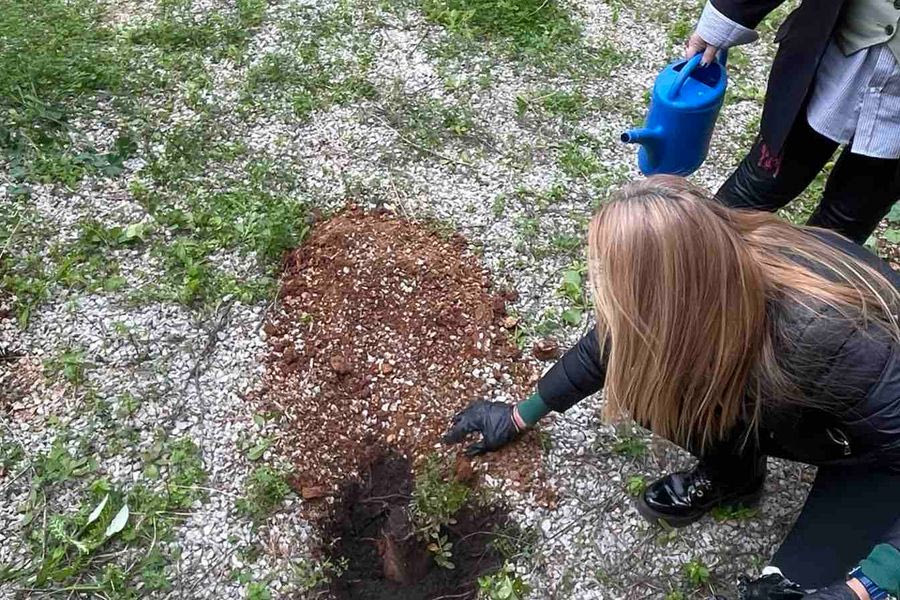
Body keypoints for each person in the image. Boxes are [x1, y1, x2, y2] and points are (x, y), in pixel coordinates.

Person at [444, 177, 900, 599]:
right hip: (815, 416)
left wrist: (868, 586)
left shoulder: (829, 334)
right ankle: (734, 479)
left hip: (878, 459)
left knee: (782, 590)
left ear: (672, 288)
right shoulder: (706, 280)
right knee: (651, 386)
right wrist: (518, 415)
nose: (598, 285)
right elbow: (608, 347)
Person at [684, 0, 900, 244]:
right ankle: (691, 270)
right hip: (833, 55)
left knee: (843, 232)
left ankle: (807, 281)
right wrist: (723, 19)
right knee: (750, 195)